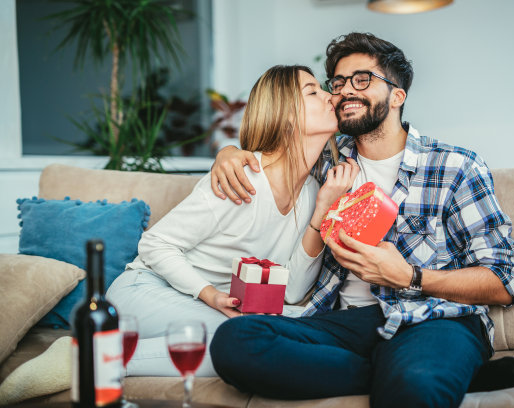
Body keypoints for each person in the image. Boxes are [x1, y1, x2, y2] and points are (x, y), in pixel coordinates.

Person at [208, 32, 514, 407]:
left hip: (432, 318)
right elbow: (271, 149)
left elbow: (506, 279)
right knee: (235, 341)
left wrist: (409, 277)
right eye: (339, 82)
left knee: (414, 387)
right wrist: (229, 152)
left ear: (397, 96)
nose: (345, 91)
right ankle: (413, 371)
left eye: (362, 80)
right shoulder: (324, 161)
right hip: (348, 325)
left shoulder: (455, 167)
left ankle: (415, 369)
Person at [105, 65, 360, 377]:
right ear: (286, 115)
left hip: (198, 307)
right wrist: (210, 294)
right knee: (248, 341)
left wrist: (323, 211)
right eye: (313, 92)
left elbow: (291, 292)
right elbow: (155, 244)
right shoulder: (241, 179)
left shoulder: (314, 192)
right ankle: (96, 360)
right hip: (143, 292)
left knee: (269, 332)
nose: (330, 96)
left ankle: (104, 354)